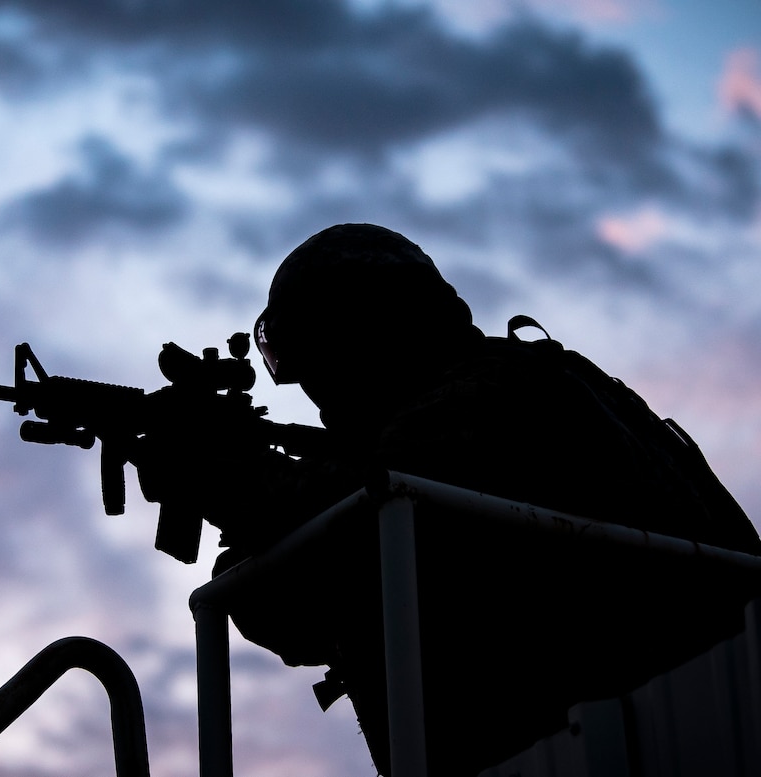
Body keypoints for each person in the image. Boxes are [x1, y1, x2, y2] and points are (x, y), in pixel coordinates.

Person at [151, 224, 761, 774]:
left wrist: (229, 477)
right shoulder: (522, 382)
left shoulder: (490, 395)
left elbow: (352, 535)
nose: (311, 387)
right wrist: (241, 524)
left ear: (373, 328)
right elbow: (294, 608)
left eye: (317, 355)